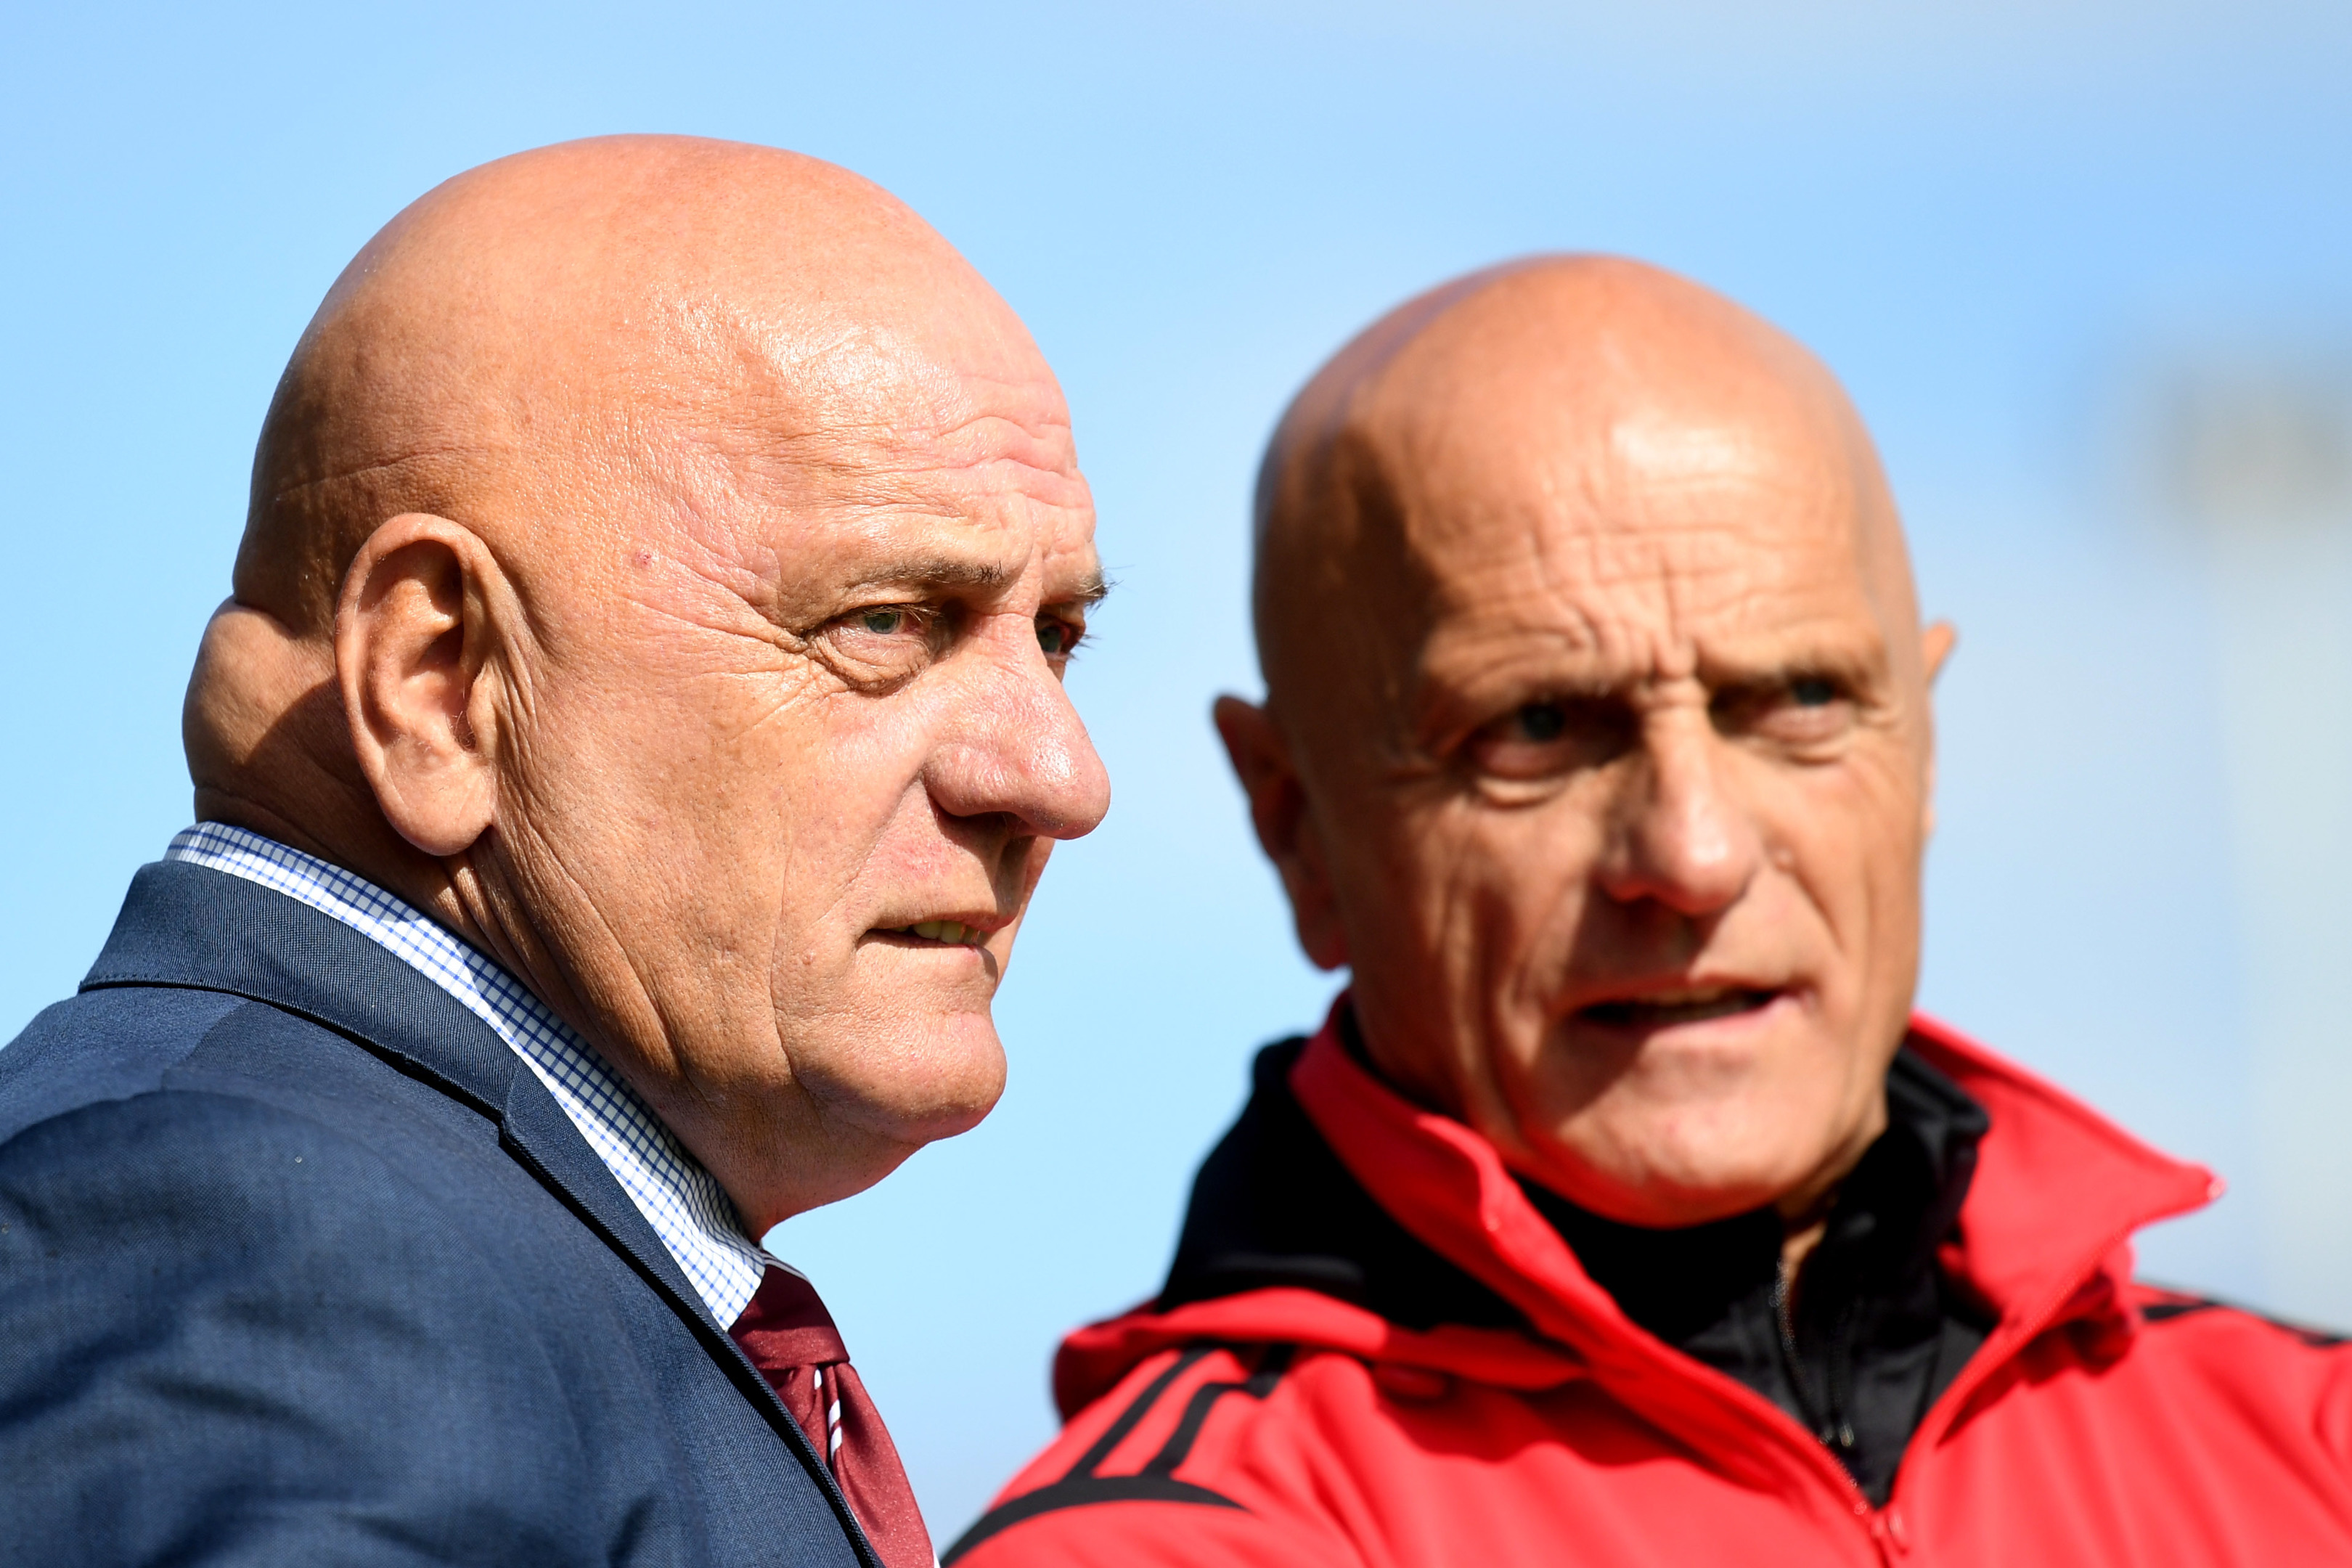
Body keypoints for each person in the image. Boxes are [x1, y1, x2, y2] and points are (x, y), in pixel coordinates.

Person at [950, 258, 2352, 1566]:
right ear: (1295, 823)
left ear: (1921, 747)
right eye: (1542, 728)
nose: (1692, 853)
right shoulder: (1186, 1539)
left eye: (1799, 702)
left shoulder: (2312, 1447)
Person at [0, 135, 1110, 1568]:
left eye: (1061, 637)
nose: (1059, 777)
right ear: (442, 682)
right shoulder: (266, 1247)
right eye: (888, 623)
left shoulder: (414, 1242)